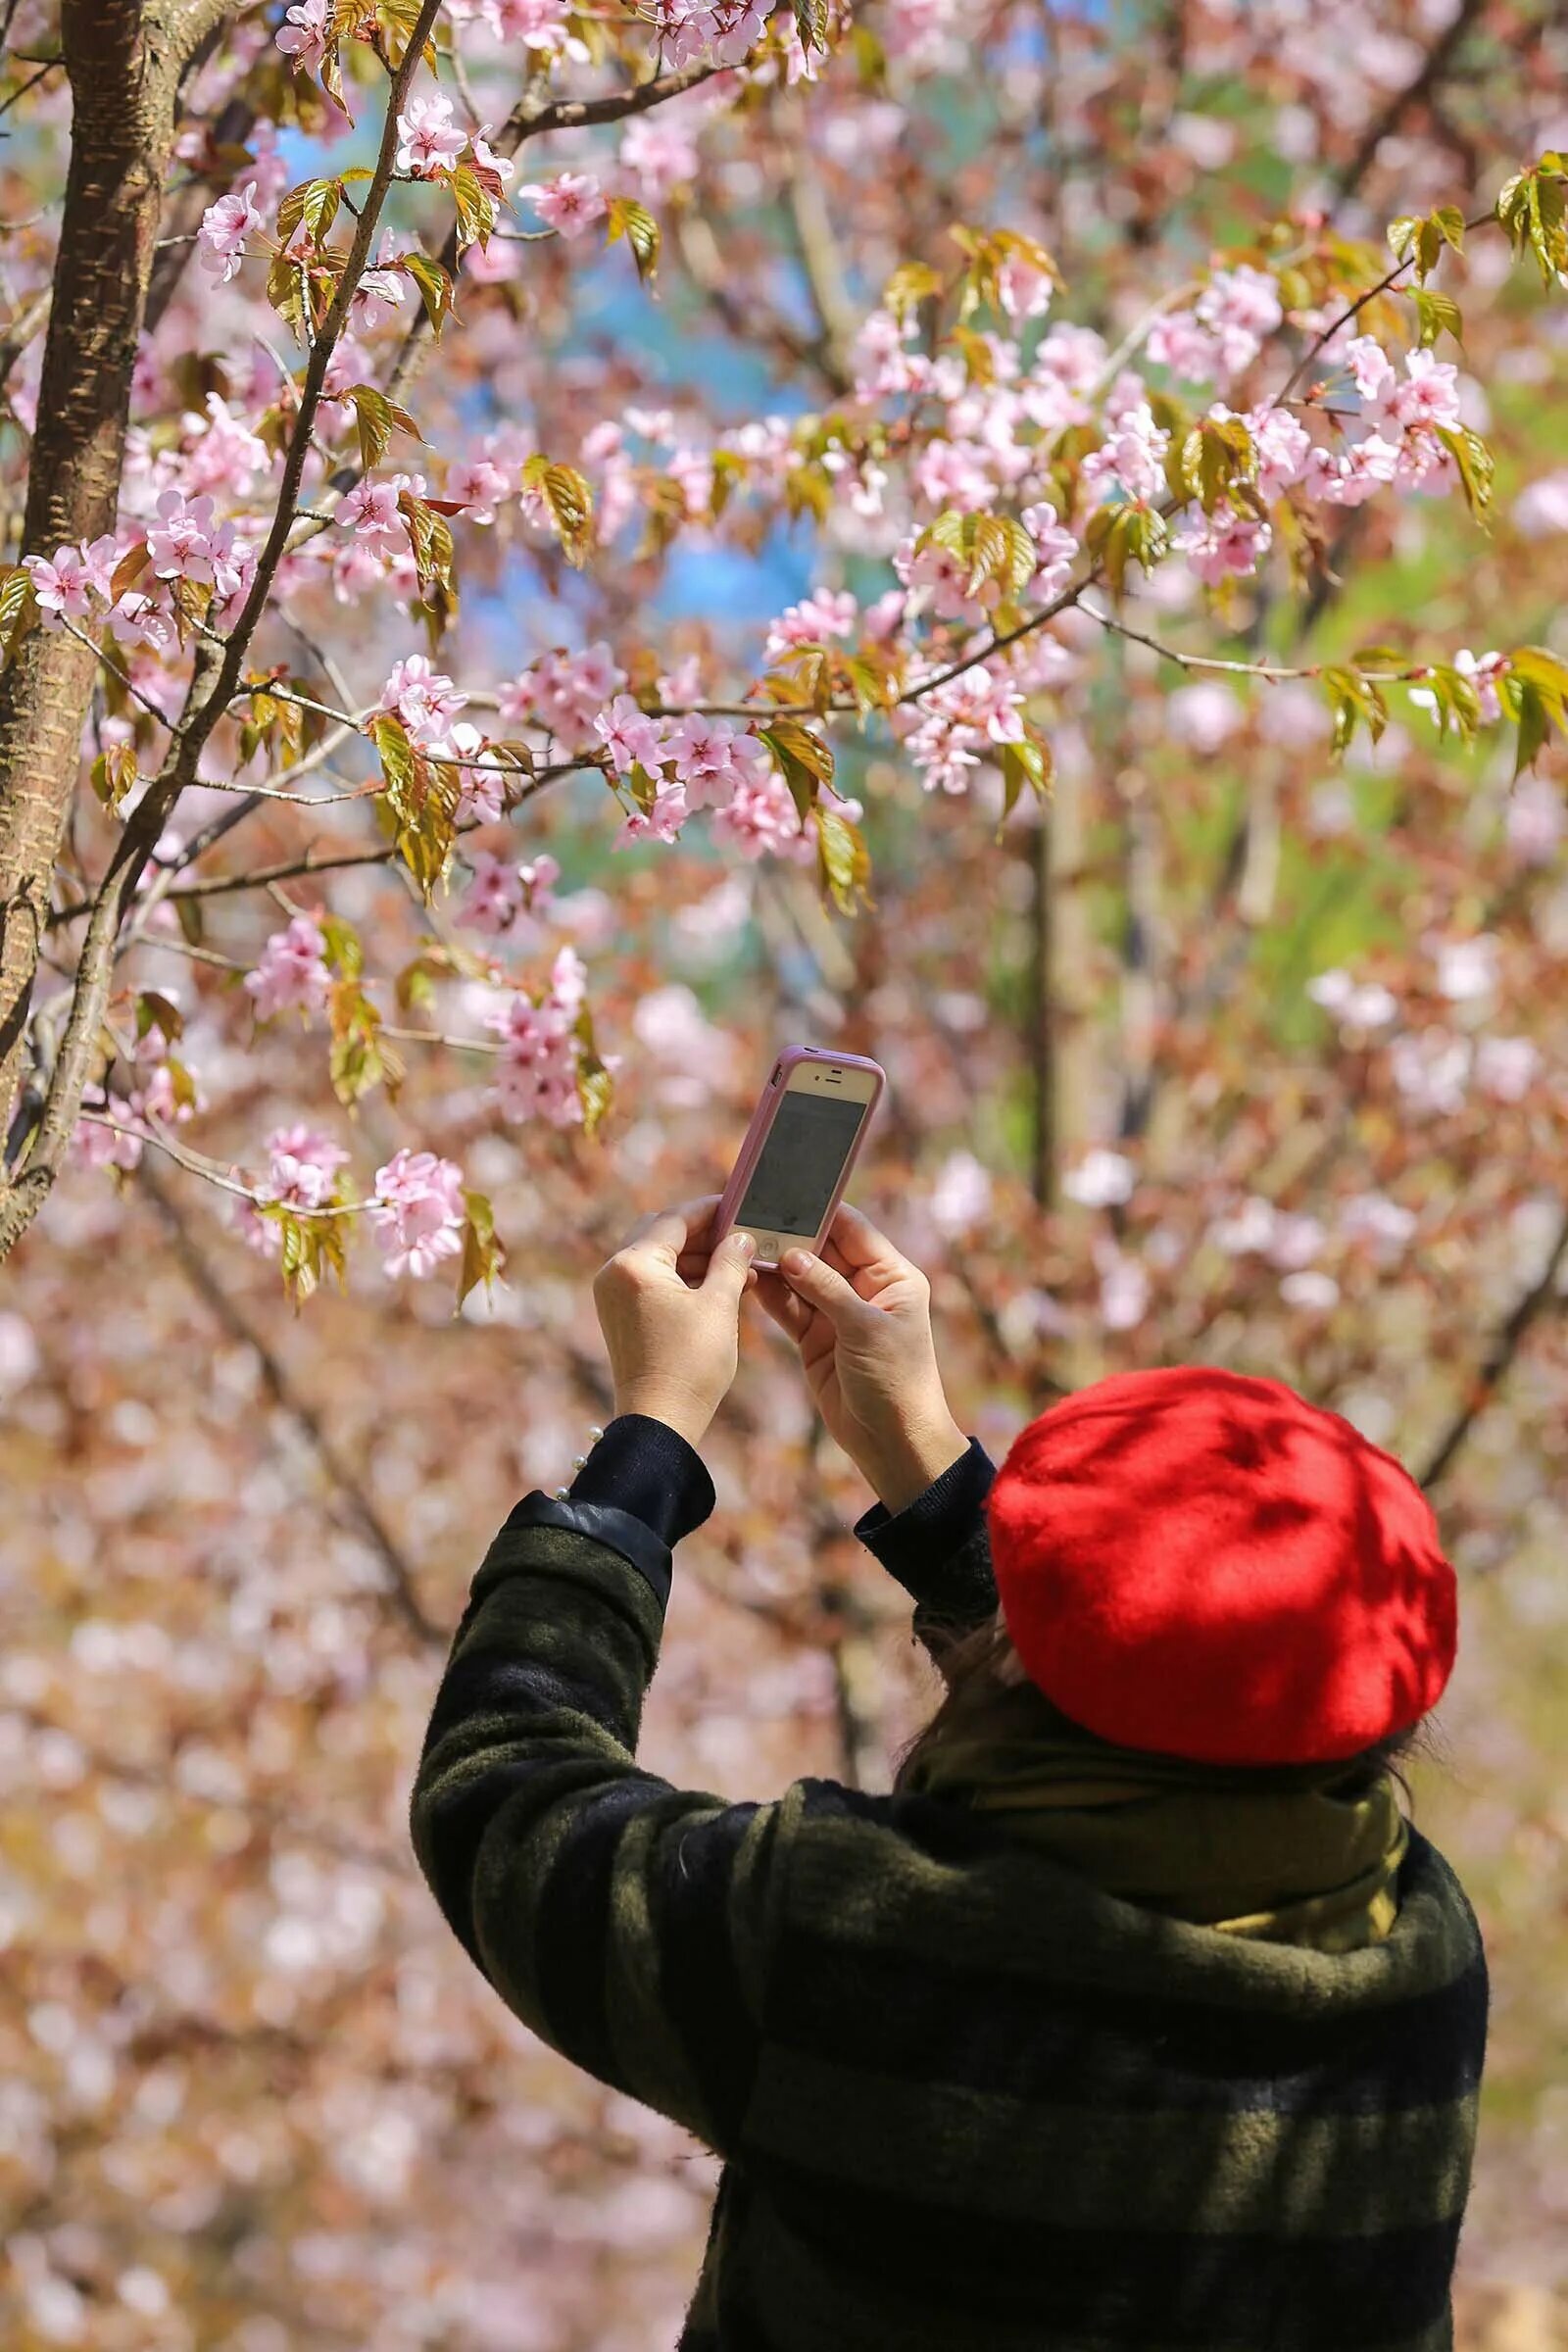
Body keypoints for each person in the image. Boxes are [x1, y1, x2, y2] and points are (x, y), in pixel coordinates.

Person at [410, 1194, 1488, 2352]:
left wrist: (647, 1448)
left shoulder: (858, 1935)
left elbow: (505, 1790)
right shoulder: (1413, 1955)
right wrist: (927, 1474)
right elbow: (1186, 1714)